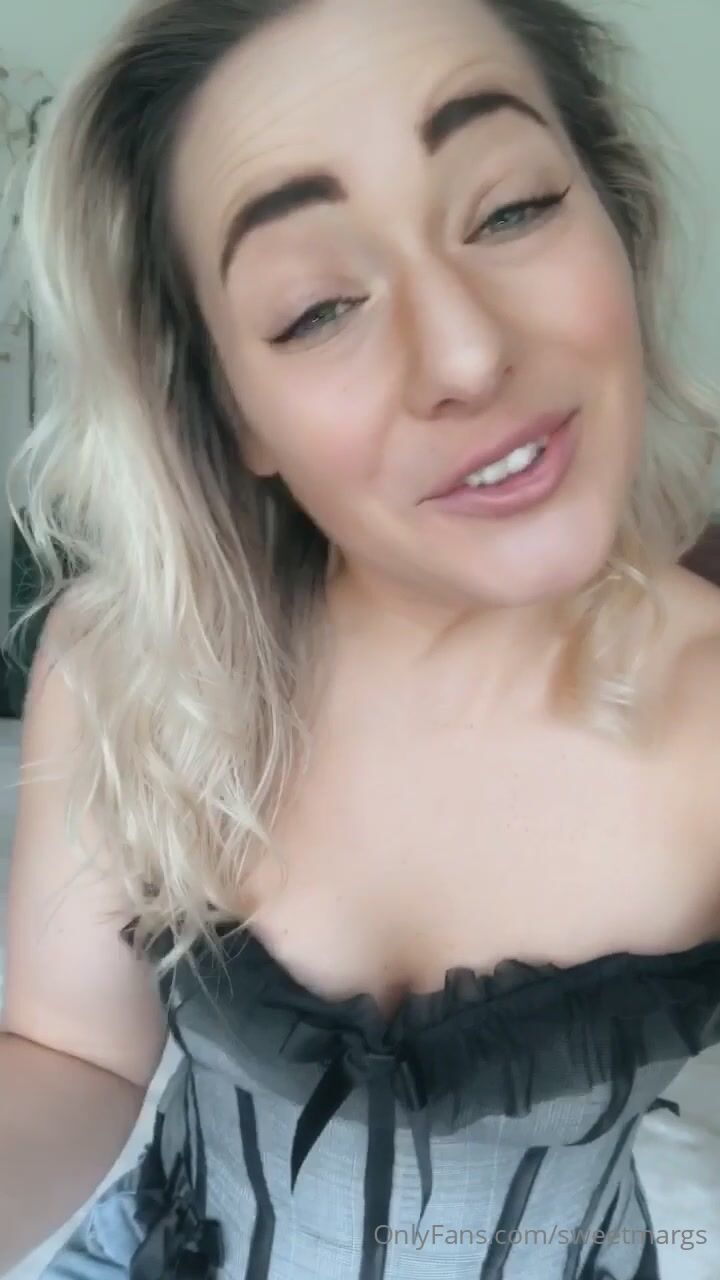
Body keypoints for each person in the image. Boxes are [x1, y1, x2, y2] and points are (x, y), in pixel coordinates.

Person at [2, 0, 720, 1276]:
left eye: (511, 209)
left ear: (619, 215)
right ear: (232, 412)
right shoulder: (128, 664)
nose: (468, 352)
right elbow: (73, 1052)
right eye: (317, 306)